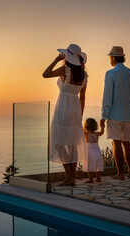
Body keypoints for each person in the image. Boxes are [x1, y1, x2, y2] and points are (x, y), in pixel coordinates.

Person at [43, 44, 88, 186]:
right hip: (76, 109)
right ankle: (71, 177)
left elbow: (45, 74)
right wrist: (80, 114)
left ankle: (69, 176)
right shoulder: (84, 75)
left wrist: (56, 60)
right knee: (73, 144)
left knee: (59, 143)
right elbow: (83, 98)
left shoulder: (65, 70)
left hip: (63, 108)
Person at [100, 46, 130, 180]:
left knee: (117, 143)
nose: (110, 59)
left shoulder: (110, 73)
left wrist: (104, 116)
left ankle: (120, 173)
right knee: (126, 143)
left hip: (114, 114)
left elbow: (107, 96)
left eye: (110, 57)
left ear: (114, 58)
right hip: (128, 114)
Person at [83, 118, 104, 183]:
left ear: (86, 126)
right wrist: (102, 126)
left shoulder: (86, 134)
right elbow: (102, 132)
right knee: (97, 164)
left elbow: (80, 130)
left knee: (89, 164)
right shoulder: (97, 134)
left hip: (89, 150)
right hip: (96, 150)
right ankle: (98, 178)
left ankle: (91, 179)